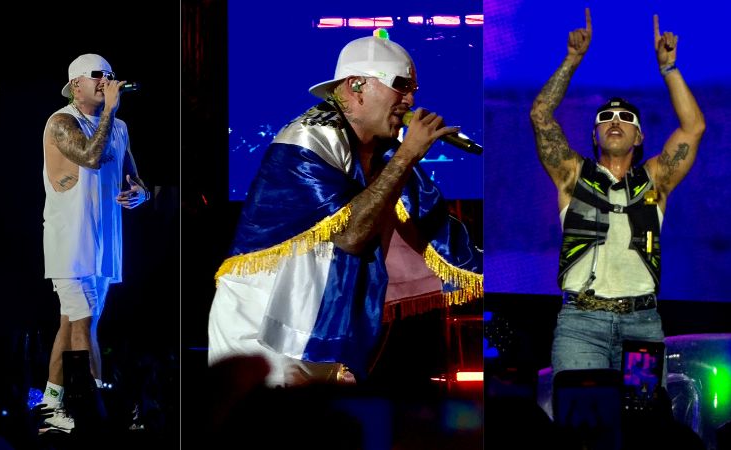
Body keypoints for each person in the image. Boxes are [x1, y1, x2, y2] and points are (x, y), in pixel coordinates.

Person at [208, 33, 483, 387]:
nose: (411, 99)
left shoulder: (381, 152)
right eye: (401, 86)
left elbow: (432, 229)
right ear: (357, 85)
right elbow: (351, 235)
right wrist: (406, 155)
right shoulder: (306, 137)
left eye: (413, 88)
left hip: (316, 328)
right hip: (264, 327)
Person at [530, 9, 705, 375]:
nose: (615, 122)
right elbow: (541, 115)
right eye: (606, 118)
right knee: (583, 426)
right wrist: (572, 59)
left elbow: (693, 128)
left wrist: (669, 69)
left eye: (627, 119)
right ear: (594, 134)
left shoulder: (654, 180)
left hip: (641, 321)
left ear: (639, 137)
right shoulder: (572, 175)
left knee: (641, 427)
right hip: (582, 324)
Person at [40, 53, 150, 432]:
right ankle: (93, 411)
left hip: (105, 245)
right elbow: (89, 156)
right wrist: (110, 112)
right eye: (99, 76)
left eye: (111, 76)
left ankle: (51, 405)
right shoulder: (61, 122)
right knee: (84, 326)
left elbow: (133, 178)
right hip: (70, 244)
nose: (107, 82)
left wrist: (140, 194)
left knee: (72, 324)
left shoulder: (118, 127)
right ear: (76, 85)